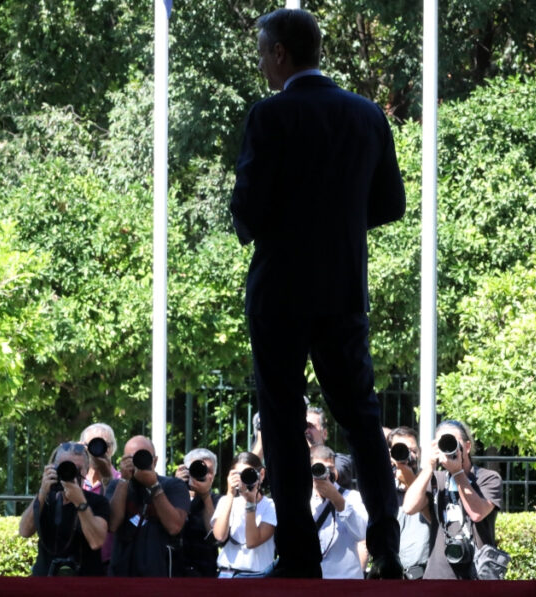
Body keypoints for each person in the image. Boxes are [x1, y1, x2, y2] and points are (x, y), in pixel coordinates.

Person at [228, 7, 406, 579]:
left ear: (280, 53)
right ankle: (386, 549)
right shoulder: (366, 115)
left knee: (281, 421)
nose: (261, 62)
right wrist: (340, 225)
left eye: (262, 52)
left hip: (280, 290)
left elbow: (247, 208)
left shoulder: (270, 116)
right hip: (342, 289)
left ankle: (298, 558)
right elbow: (391, 204)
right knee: (360, 417)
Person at [403, 420, 503, 580]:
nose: (448, 449)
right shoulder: (436, 478)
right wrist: (428, 467)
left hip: (477, 573)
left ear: (468, 447)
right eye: (443, 444)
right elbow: (409, 507)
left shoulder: (487, 478)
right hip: (438, 574)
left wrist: (458, 473)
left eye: (453, 443)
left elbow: (477, 514)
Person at [18, 442, 111, 576]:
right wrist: (42, 491)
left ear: (86, 471)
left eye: (77, 468)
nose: (69, 473)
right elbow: (24, 531)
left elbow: (96, 542)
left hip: (84, 582)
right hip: (45, 580)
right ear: (53, 468)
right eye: (64, 467)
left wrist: (80, 503)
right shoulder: (46, 500)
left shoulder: (97, 502)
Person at [106, 435, 190, 577]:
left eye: (143, 456)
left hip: (159, 574)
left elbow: (174, 527)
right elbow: (113, 524)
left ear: (155, 460)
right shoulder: (117, 486)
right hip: (121, 573)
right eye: (131, 458)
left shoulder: (173, 486)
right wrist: (123, 480)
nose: (138, 462)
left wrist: (154, 486)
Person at [211, 452, 276, 577]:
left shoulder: (271, 506)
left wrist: (251, 503)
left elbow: (252, 542)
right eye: (239, 475)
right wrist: (230, 493)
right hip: (227, 574)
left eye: (248, 474)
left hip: (257, 576)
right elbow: (219, 536)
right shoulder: (227, 502)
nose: (244, 479)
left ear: (261, 475)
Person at [309, 445, 368, 579]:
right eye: (319, 469)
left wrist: (338, 500)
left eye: (329, 469)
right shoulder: (303, 502)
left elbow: (362, 533)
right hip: (314, 581)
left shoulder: (352, 497)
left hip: (346, 581)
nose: (325, 474)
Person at [387, 426, 433, 579]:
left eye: (412, 450)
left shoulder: (430, 481)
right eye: (400, 450)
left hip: (424, 574)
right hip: (391, 574)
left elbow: (435, 518)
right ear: (390, 453)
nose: (407, 456)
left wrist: (411, 482)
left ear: (419, 452)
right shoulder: (382, 487)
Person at [174, 448, 223, 577]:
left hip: (205, 572)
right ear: (186, 471)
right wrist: (176, 485)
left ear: (214, 475)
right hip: (174, 569)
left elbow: (215, 536)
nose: (204, 473)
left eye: (209, 470)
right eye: (198, 468)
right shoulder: (173, 494)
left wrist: (205, 496)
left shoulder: (218, 501)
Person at [78, 422, 121, 573]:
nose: (98, 450)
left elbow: (115, 519)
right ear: (83, 447)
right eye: (92, 445)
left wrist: (108, 479)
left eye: (104, 445)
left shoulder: (121, 481)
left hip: (109, 563)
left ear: (112, 449)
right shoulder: (75, 480)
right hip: (79, 562)